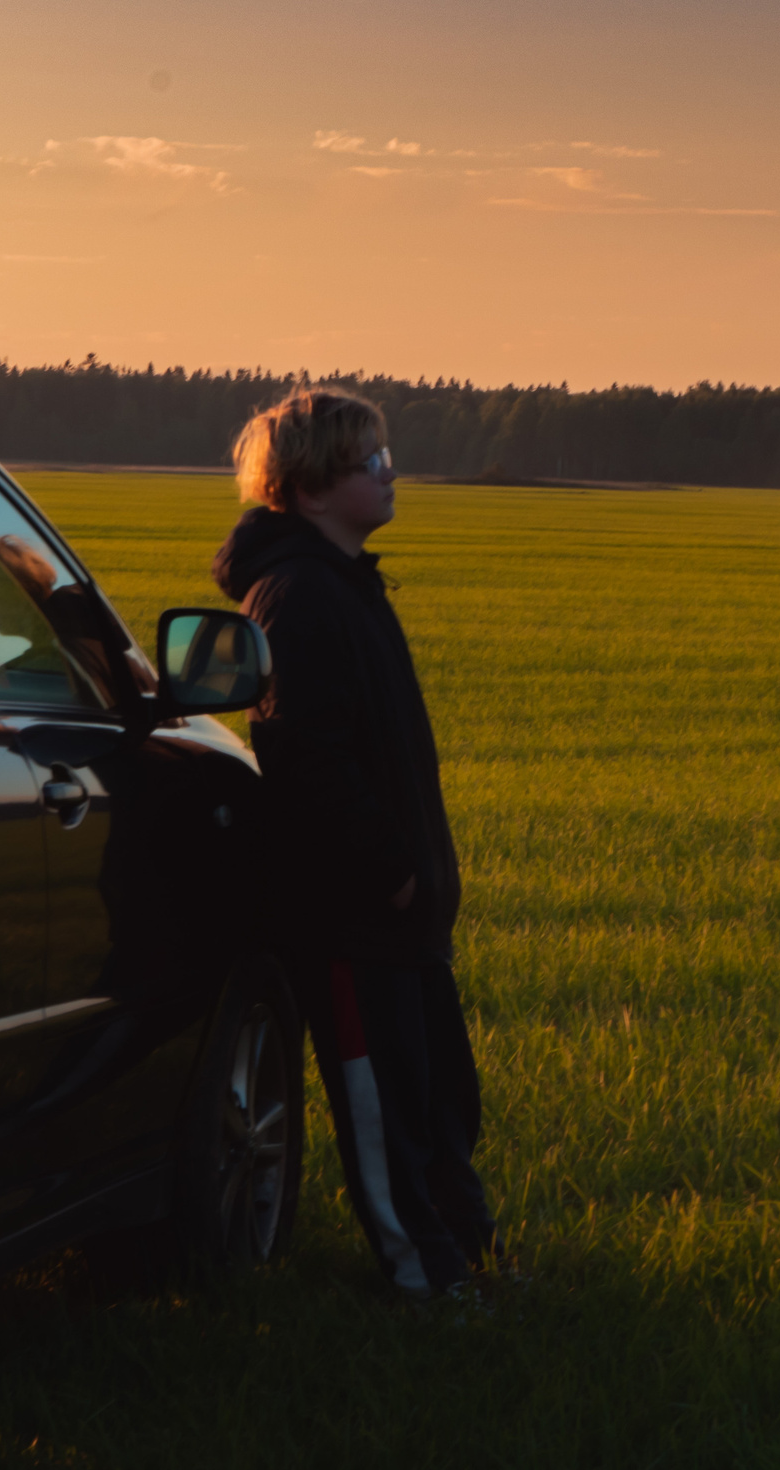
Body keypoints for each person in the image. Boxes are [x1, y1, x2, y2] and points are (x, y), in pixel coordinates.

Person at [210, 387, 497, 1299]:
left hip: (400, 917)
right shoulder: (295, 597)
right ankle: (422, 1281)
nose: (388, 471)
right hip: (356, 919)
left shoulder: (346, 585)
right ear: (312, 484)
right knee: (384, 1114)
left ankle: (464, 1259)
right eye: (369, 459)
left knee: (438, 1102)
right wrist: (395, 875)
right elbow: (305, 759)